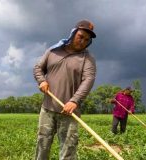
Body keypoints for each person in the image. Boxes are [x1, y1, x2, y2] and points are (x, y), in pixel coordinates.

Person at [33, 19, 97, 160]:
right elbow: (38, 68)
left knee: (68, 147)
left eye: (87, 39)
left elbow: (88, 80)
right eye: (80, 36)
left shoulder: (88, 59)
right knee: (42, 143)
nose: (83, 41)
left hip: (69, 112)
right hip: (48, 108)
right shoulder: (53, 51)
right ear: (73, 33)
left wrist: (74, 101)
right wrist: (42, 81)